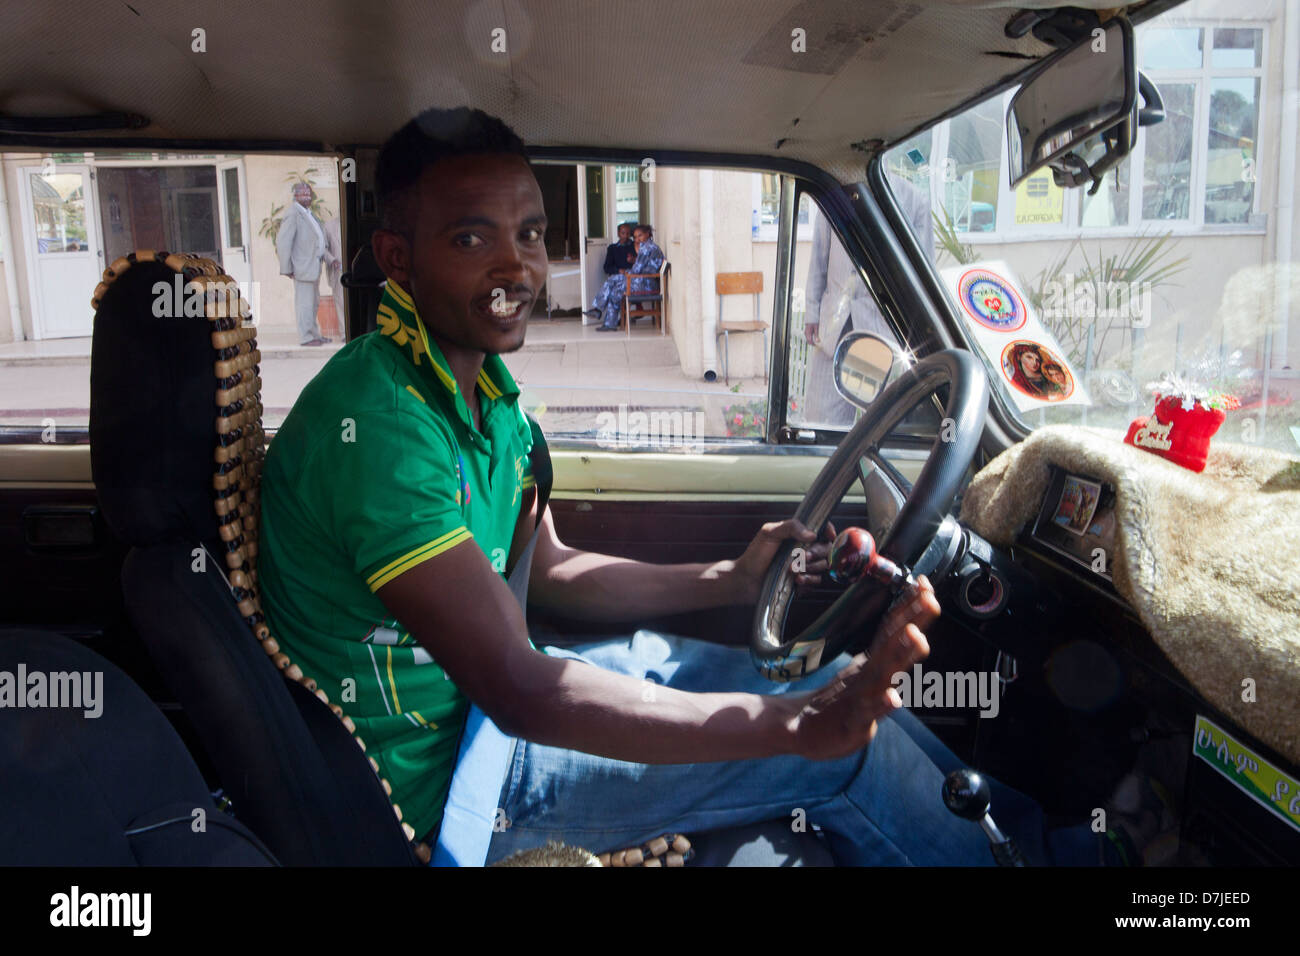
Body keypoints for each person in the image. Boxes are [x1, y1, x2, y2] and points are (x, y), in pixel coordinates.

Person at [257, 106, 1112, 867]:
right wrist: (796, 730)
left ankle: (1046, 844)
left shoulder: (486, 396)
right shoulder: (376, 423)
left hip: (489, 721)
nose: (517, 266)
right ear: (396, 257)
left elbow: (545, 570)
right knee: (835, 744)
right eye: (471, 238)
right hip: (447, 790)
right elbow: (517, 688)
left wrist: (731, 581)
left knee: (822, 677)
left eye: (529, 233)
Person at [801, 174, 934, 427]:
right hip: (834, 326)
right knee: (820, 421)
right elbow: (819, 256)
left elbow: (922, 275)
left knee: (882, 424)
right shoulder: (833, 194)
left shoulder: (913, 200)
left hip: (883, 331)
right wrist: (812, 313)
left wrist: (916, 332)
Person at [277, 181, 333, 346]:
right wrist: (286, 268)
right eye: (304, 194)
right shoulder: (293, 213)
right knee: (304, 304)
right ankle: (306, 337)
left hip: (313, 266)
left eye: (309, 194)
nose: (308, 197)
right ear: (296, 196)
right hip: (302, 267)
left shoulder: (307, 212)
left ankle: (314, 334)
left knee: (313, 303)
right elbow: (283, 242)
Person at [585, 224, 664, 331]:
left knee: (614, 286)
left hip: (647, 283)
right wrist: (626, 272)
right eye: (635, 237)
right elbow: (637, 268)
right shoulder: (648, 246)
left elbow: (636, 270)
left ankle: (604, 317)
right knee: (613, 282)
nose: (637, 239)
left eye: (640, 236)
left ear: (647, 234)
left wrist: (626, 272)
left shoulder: (647, 248)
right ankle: (604, 318)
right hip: (643, 280)